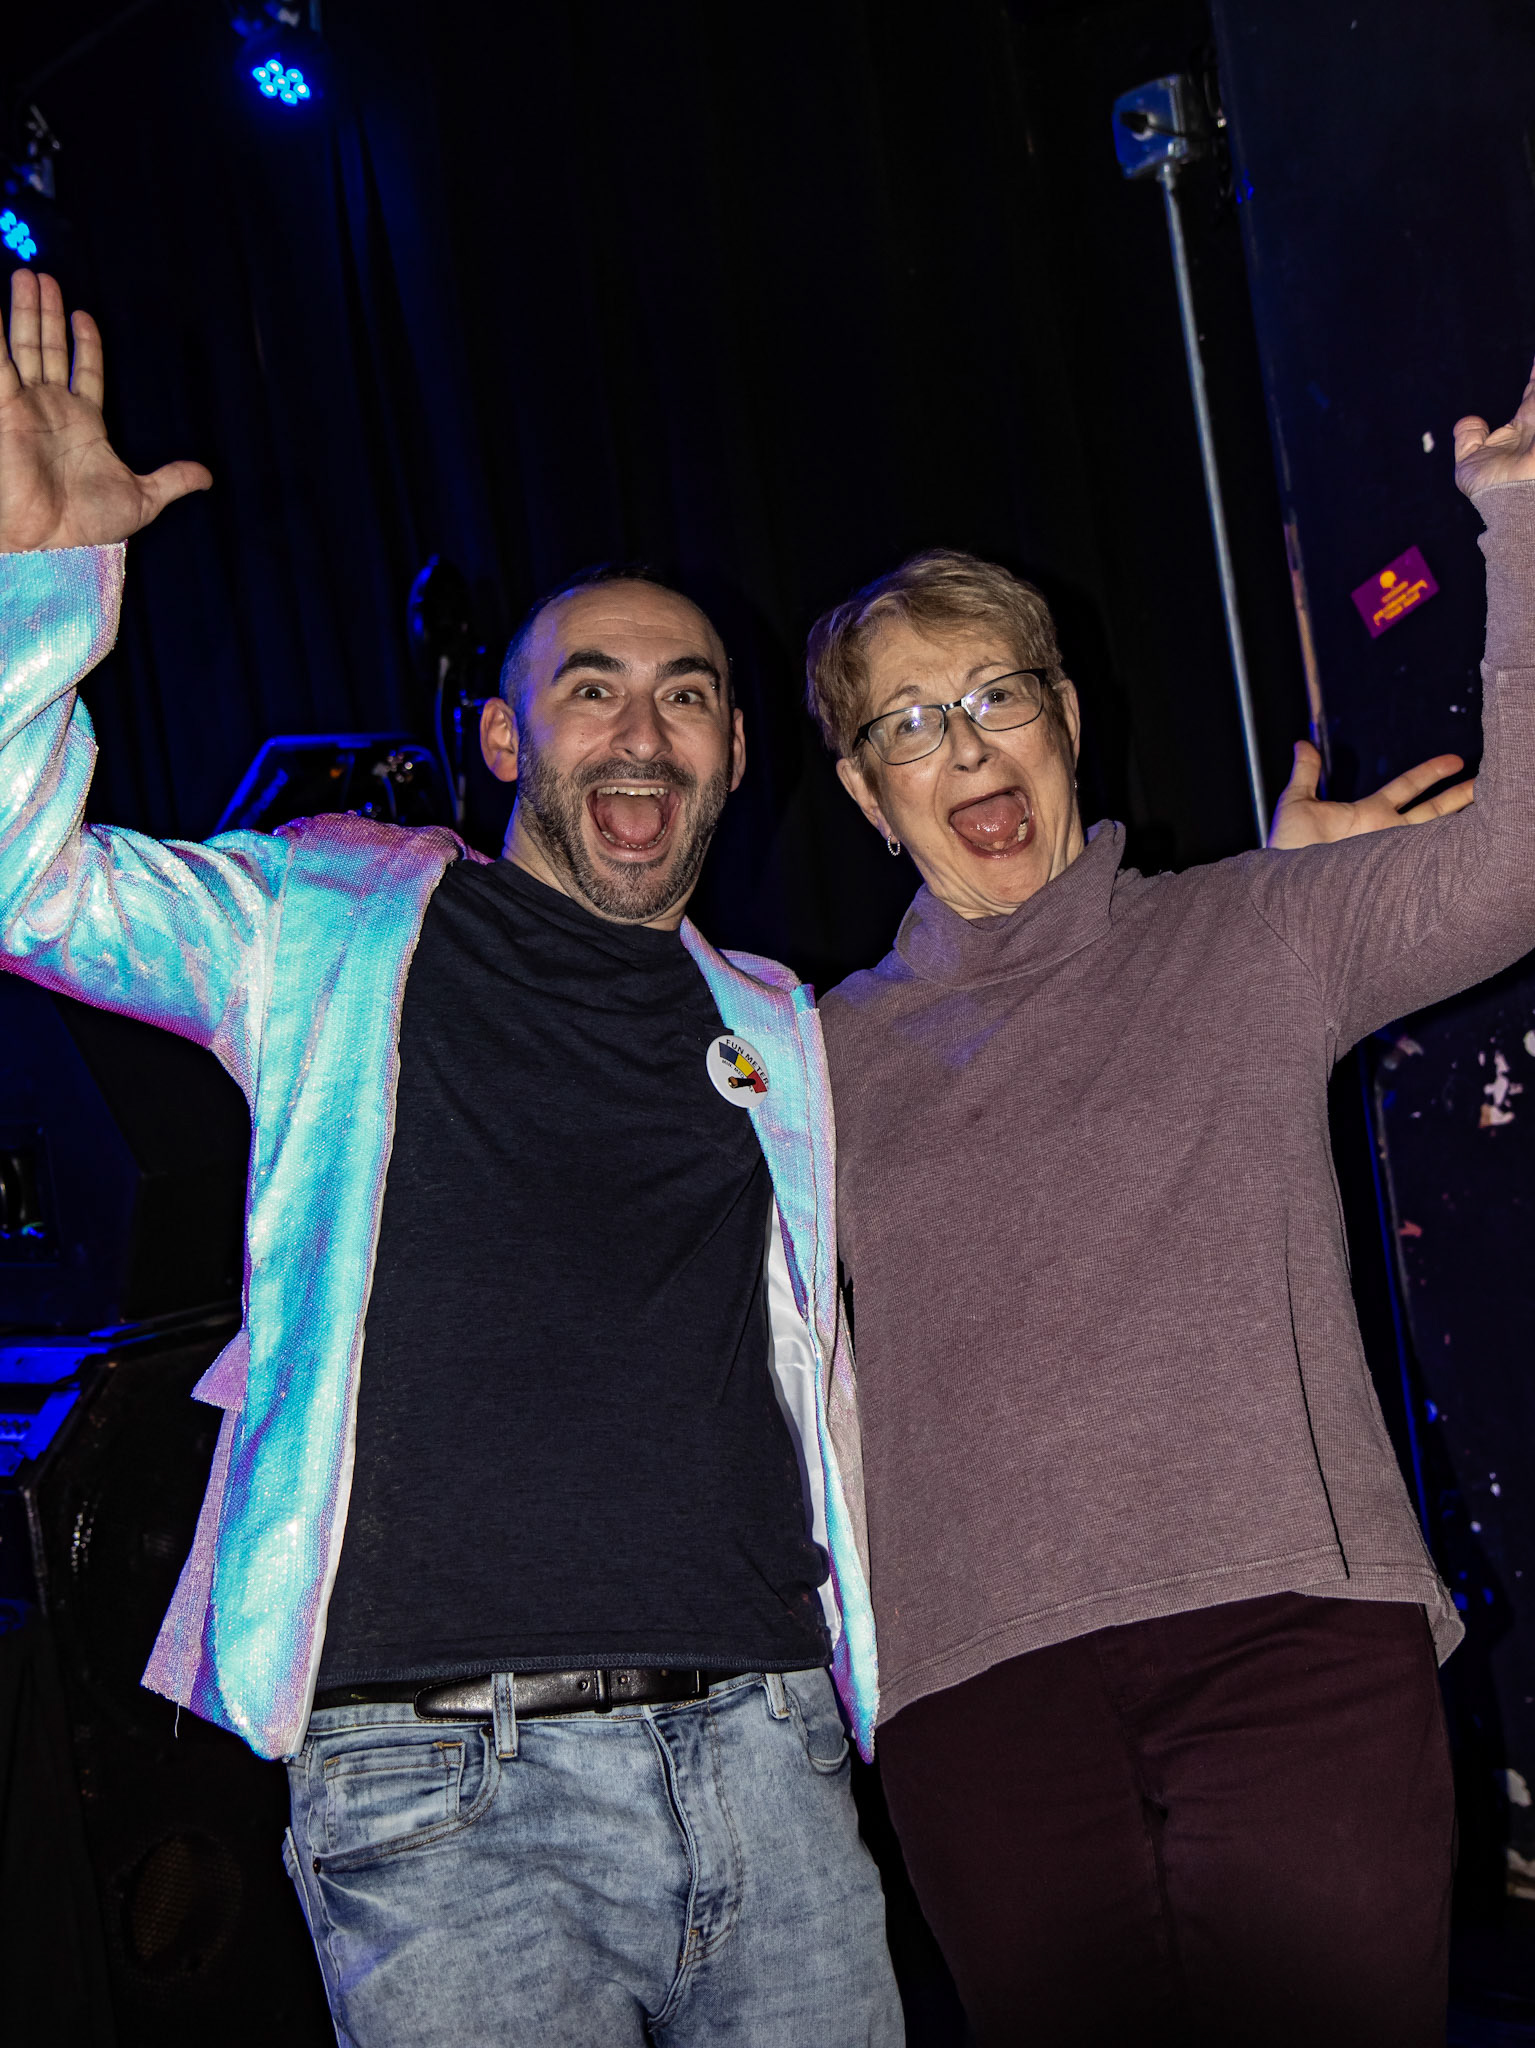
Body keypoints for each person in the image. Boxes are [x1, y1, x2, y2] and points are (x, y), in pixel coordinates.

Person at [0, 270, 899, 2047]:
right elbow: (26, 881)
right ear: (501, 736)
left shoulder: (785, 1024)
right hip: (445, 1792)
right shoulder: (321, 926)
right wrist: (44, 592)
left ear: (734, 755)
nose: (641, 731)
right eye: (591, 690)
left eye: (688, 696)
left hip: (773, 1759)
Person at [804, 359, 1533, 2045]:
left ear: (1067, 718)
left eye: (997, 694)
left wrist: (1518, 524)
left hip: (1292, 1638)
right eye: (907, 723)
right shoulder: (809, 1056)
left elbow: (1514, 863)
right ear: (864, 793)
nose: (963, 744)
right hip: (980, 1695)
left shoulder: (1251, 932)